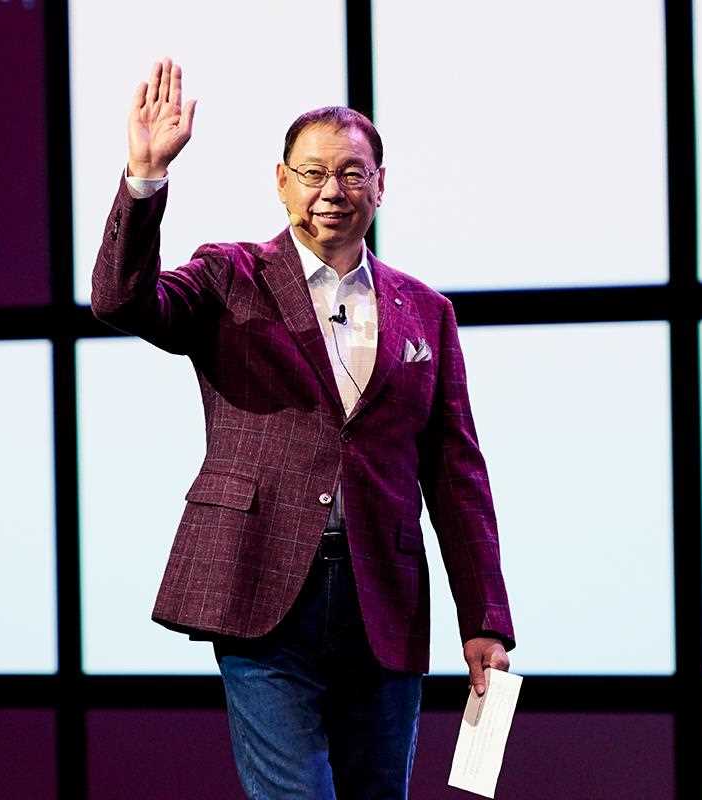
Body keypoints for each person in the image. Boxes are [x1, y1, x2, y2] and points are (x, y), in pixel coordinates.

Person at [91, 58, 515, 799]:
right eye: (313, 173)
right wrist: (145, 179)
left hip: (384, 592)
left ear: (381, 185)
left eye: (352, 174)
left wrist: (485, 618)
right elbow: (122, 303)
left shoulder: (426, 311)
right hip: (261, 583)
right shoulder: (229, 276)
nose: (332, 192)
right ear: (282, 181)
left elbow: (456, 474)